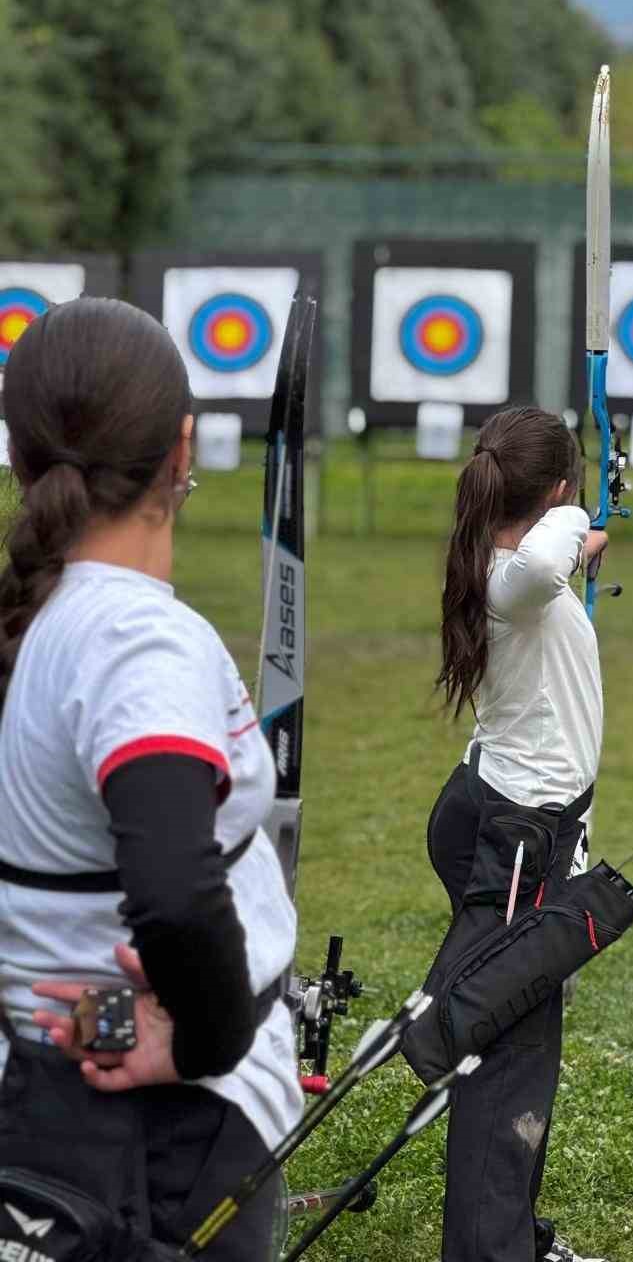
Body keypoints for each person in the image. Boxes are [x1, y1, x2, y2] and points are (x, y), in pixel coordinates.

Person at [0, 297, 301, 1258]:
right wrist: (208, 1041)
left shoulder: (43, 621)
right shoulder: (137, 641)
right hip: (159, 1138)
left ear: (20, 460)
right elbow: (173, 891)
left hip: (63, 1109)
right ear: (182, 449)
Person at [426, 406, 608, 1262]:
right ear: (556, 491)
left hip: (513, 825)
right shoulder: (516, 577)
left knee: (519, 1037)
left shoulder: (496, 564)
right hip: (518, 842)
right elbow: (541, 560)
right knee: (507, 1056)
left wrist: (576, 532)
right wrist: (580, 518)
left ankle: (509, 1235)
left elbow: (542, 560)